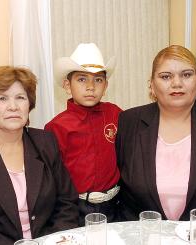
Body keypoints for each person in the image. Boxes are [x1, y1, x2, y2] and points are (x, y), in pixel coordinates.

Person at [0, 66, 78, 245]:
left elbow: (67, 202)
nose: (13, 107)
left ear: (29, 105)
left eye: (20, 98)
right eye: (2, 98)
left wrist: (51, 241)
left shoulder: (45, 142)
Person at [116, 45, 196, 226]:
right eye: (166, 76)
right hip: (147, 235)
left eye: (186, 75)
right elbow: (124, 193)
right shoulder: (129, 121)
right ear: (151, 84)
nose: (177, 83)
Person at [45, 43, 122, 225]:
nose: (90, 87)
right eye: (81, 79)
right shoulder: (56, 127)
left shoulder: (116, 114)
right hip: (77, 207)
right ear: (67, 85)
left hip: (117, 204)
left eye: (98, 80)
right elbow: (54, 178)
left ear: (106, 85)